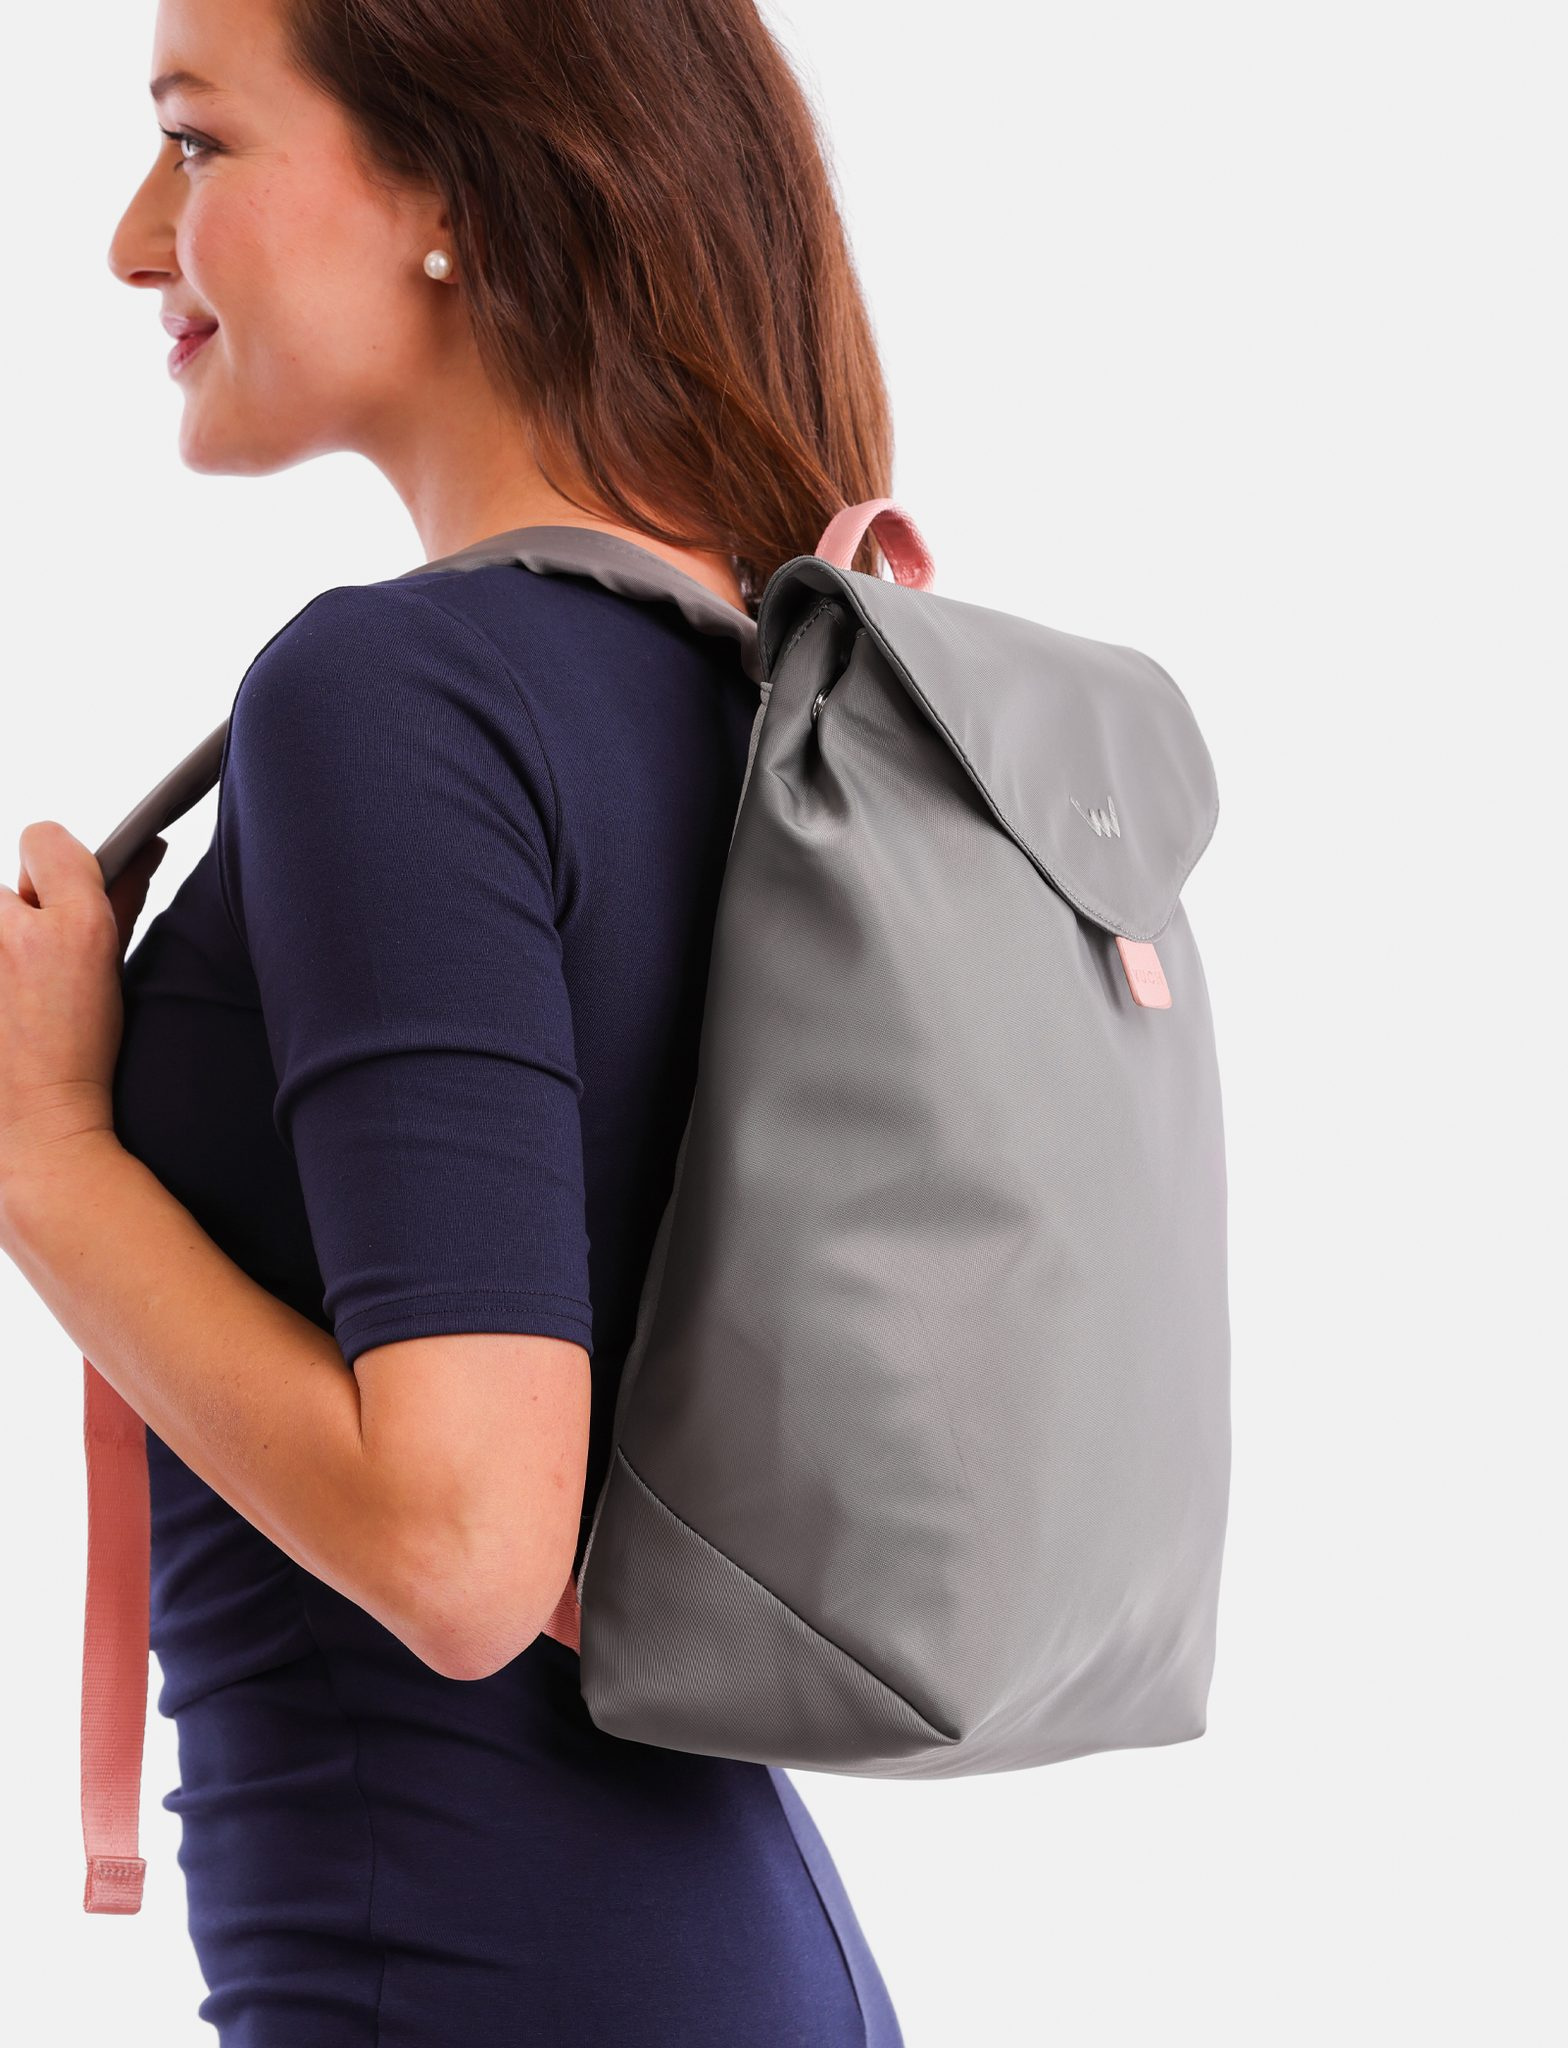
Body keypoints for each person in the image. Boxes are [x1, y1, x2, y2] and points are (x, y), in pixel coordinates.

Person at [0, 0, 907, 2039]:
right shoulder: (751, 683)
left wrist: (42, 1151)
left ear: (454, 188)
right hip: (668, 1949)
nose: (136, 240)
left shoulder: (398, 699)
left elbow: (462, 1551)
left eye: (197, 141)